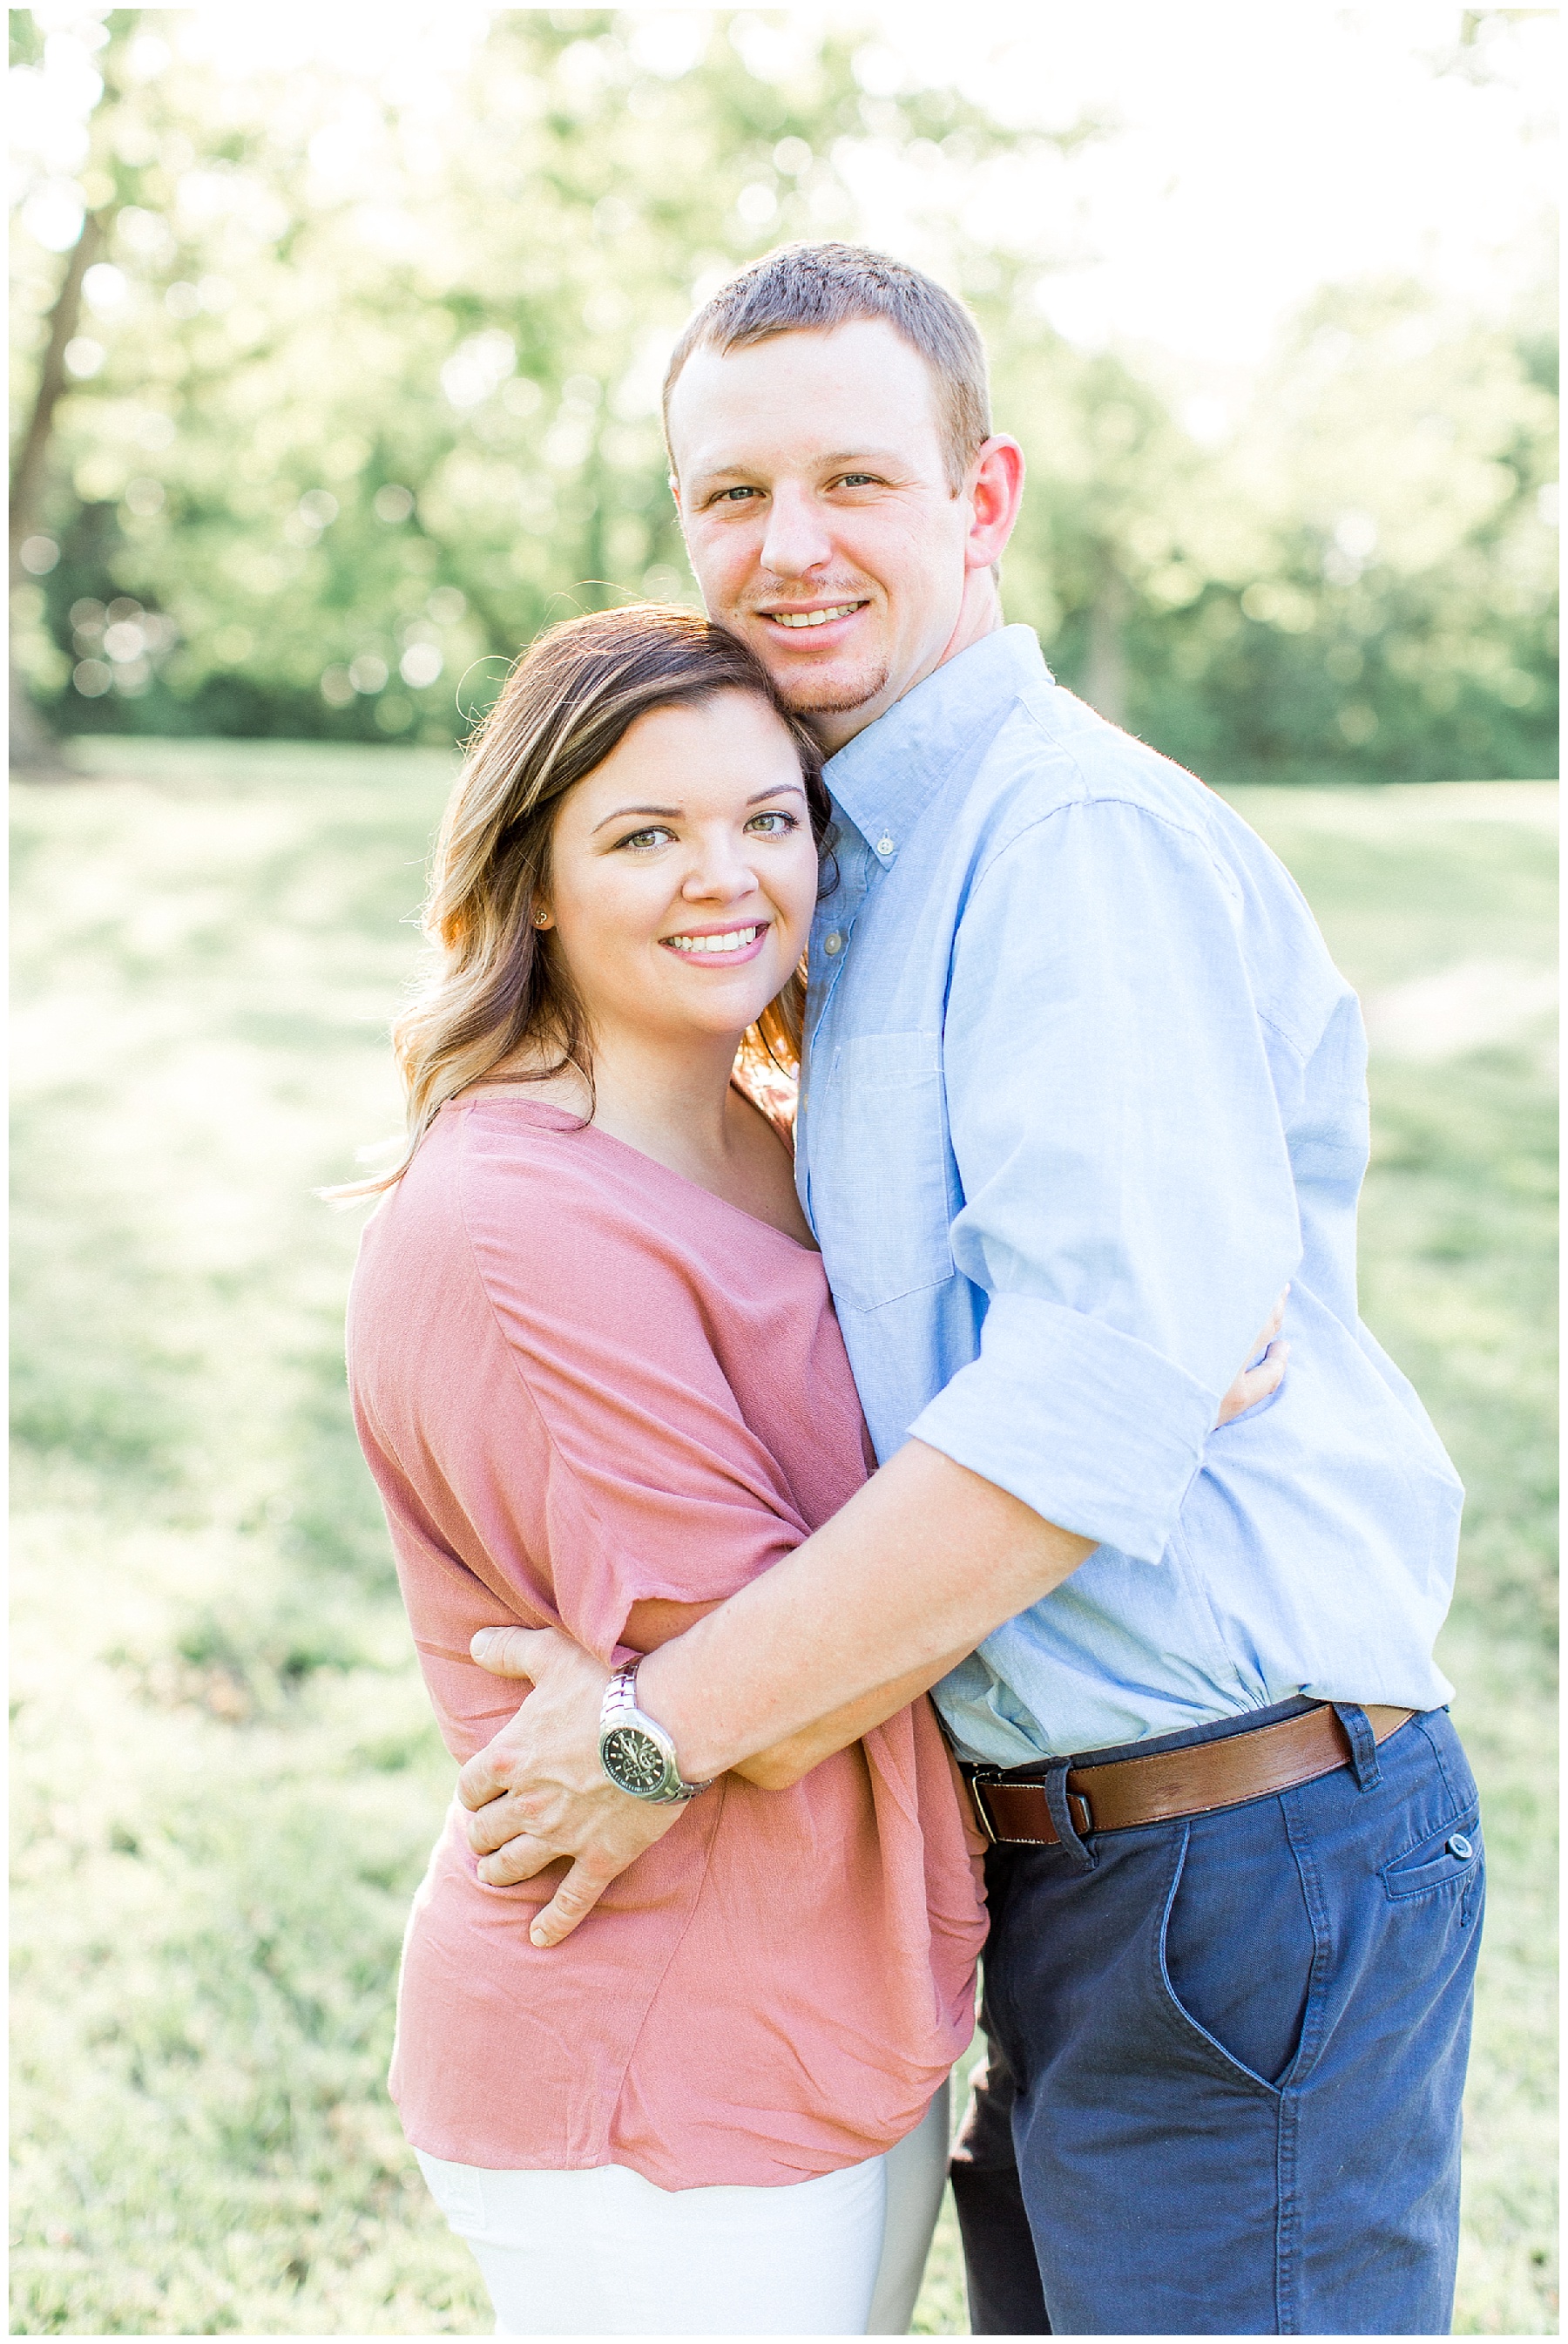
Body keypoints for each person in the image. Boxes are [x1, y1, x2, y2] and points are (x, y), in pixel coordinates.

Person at [458, 244, 1484, 2339]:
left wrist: (650, 1744)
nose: (786, 546)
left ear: (984, 500)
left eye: (855, 478)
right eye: (728, 497)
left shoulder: (1065, 845)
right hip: (1085, 1861)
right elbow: (1069, 1363)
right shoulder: (869, 868)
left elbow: (1078, 1409)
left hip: (1236, 1846)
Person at [345, 604, 1281, 2336]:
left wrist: (1097, 1377)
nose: (728, 876)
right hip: (649, 2040)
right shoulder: (516, 1223)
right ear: (533, 879)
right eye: (645, 833)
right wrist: (1130, 1393)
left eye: (769, 818)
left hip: (840, 1999)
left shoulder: (779, 1145)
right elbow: (770, 1677)